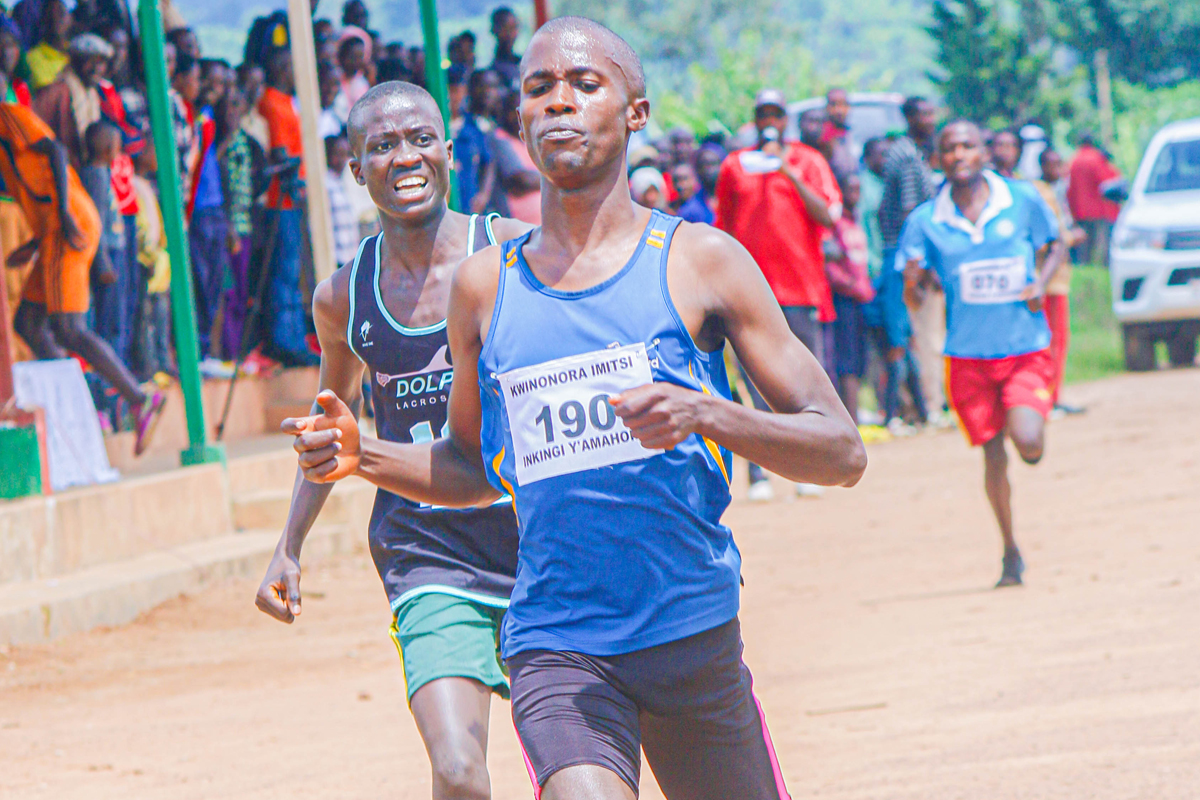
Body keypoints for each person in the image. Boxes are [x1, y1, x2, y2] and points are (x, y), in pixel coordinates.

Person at [286, 19, 865, 800]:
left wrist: (706, 414)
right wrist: (366, 456)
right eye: (539, 90)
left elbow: (840, 451)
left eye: (585, 85)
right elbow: (471, 468)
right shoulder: (485, 288)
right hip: (558, 642)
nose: (560, 102)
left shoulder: (700, 263)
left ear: (635, 112)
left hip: (690, 631)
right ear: (520, 120)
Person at [255, 81, 532, 800]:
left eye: (420, 139)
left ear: (449, 153)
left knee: (576, 769)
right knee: (459, 772)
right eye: (381, 145)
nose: (405, 156)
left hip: (542, 543)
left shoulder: (511, 251)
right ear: (356, 170)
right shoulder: (342, 297)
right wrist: (289, 545)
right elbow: (332, 424)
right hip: (428, 551)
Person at [900, 120, 1064, 588]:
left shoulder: (1021, 199)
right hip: (968, 358)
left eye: (967, 146)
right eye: (949, 148)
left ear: (984, 153)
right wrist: (912, 282)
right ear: (936, 159)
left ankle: (1026, 421)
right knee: (993, 456)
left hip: (1024, 349)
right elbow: (916, 297)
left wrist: (1041, 281)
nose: (959, 155)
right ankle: (1010, 550)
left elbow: (1054, 246)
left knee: (1028, 443)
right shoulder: (926, 222)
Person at [0, 93, 166, 454]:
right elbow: (36, 186)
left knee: (69, 328)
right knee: (28, 322)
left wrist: (62, 212)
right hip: (53, 231)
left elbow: (56, 151)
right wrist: (35, 241)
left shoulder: (7, 116)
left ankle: (138, 399)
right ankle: (78, 402)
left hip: (67, 224)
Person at [715, 87, 841, 500]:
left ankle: (808, 468)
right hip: (750, 294)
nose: (769, 121)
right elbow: (723, 229)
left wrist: (788, 171)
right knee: (755, 382)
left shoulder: (809, 160)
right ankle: (759, 474)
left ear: (786, 120)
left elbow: (828, 215)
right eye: (763, 114)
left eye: (776, 114)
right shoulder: (735, 165)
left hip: (801, 288)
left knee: (805, 382)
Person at [878, 96, 938, 424]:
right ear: (909, 118)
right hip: (902, 256)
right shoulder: (908, 156)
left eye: (931, 113)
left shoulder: (911, 152)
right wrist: (920, 263)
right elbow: (910, 214)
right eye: (923, 114)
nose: (930, 120)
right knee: (901, 336)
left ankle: (921, 409)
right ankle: (899, 413)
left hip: (902, 254)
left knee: (908, 334)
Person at [257, 49, 317, 367]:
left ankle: (296, 337)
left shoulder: (286, 100)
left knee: (293, 272)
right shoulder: (272, 102)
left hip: (294, 198)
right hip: (280, 199)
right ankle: (285, 341)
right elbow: (280, 151)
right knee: (285, 271)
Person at [1033, 148, 1085, 414]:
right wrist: (1071, 238)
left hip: (1059, 278)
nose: (1059, 169)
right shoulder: (1040, 191)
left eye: (1060, 164)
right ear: (1042, 166)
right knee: (1050, 340)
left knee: (1060, 341)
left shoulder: (1057, 191)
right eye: (1052, 165)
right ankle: (1048, 397)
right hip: (1048, 280)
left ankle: (1054, 394)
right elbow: (1048, 237)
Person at [825, 172, 874, 424]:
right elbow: (829, 265)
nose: (855, 194)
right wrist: (851, 285)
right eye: (850, 189)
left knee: (861, 359)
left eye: (858, 189)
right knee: (847, 360)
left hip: (860, 301)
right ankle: (850, 420)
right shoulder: (834, 224)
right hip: (843, 301)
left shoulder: (857, 222)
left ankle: (857, 415)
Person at [218, 88, 259, 360]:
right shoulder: (219, 141)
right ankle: (229, 351)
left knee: (243, 290)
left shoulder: (246, 141)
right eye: (227, 106)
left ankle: (240, 351)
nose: (232, 111)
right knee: (229, 291)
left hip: (246, 225)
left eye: (236, 105)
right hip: (228, 226)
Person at [32, 34, 114, 170]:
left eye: (101, 62)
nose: (96, 68)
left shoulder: (91, 93)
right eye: (90, 61)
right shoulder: (57, 91)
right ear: (75, 61)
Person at [78, 121, 125, 351]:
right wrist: (103, 261)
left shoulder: (102, 172)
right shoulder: (94, 176)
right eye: (117, 145)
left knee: (114, 313)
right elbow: (95, 220)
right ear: (107, 148)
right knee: (106, 316)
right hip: (105, 252)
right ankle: (106, 363)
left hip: (112, 248)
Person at [1066, 134, 1121, 267]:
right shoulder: (1096, 158)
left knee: (1084, 248)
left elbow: (1069, 189)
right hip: (1099, 210)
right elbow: (1109, 184)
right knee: (1101, 246)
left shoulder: (1073, 160)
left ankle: (1084, 268)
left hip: (1079, 211)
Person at [486, 88, 539, 223]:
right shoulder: (500, 139)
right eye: (515, 112)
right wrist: (555, 178)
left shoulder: (529, 141)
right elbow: (521, 180)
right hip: (518, 227)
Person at [454, 69, 500, 214]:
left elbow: (489, 162)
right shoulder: (446, 127)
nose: (488, 92)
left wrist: (483, 195)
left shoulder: (474, 127)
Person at [324, 133, 358, 268]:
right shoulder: (326, 184)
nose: (344, 160)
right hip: (336, 258)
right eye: (339, 154)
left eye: (346, 154)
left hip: (348, 255)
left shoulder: (341, 182)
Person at [25, 0, 71, 90]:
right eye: (51, 15)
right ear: (44, 20)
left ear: (70, 19)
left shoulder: (75, 54)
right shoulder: (33, 58)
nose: (57, 19)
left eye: (61, 13)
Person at [821, 87, 856, 178]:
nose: (839, 110)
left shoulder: (849, 132)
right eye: (834, 105)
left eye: (843, 104)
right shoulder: (823, 136)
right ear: (827, 108)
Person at [488, 7, 521, 88]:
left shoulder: (520, 62)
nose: (510, 34)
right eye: (505, 29)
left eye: (513, 28)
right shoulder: (495, 71)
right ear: (494, 30)